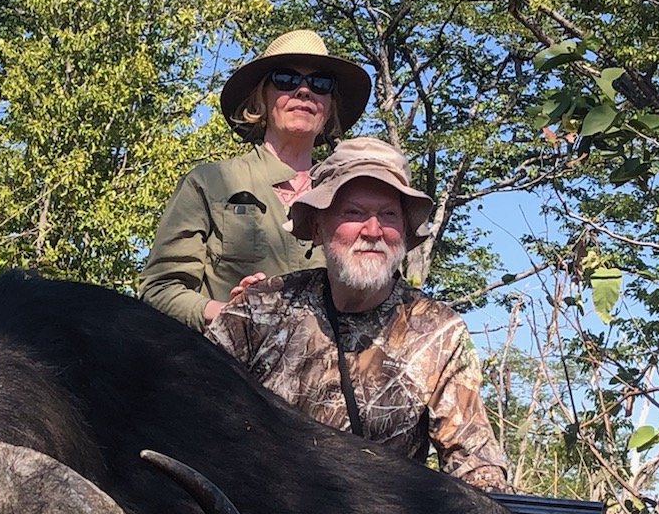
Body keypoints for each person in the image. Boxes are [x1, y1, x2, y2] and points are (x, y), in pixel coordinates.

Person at [207, 137, 512, 491]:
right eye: (354, 213)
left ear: (405, 232)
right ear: (319, 227)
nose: (373, 231)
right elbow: (196, 417)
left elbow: (476, 466)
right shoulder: (258, 309)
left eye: (388, 215)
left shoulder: (437, 332)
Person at [139, 29, 371, 330]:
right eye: (285, 79)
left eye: (320, 83)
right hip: (228, 371)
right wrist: (232, 313)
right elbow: (159, 290)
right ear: (261, 98)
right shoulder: (209, 183)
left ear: (329, 108)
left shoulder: (347, 199)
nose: (304, 91)